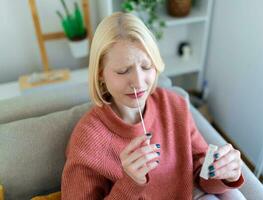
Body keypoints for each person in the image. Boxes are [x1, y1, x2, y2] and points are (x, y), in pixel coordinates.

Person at [61, 12, 245, 200]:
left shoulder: (175, 105)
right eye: (123, 71)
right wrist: (130, 184)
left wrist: (225, 172)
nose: (138, 82)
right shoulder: (87, 139)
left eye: (146, 66)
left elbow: (201, 173)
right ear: (100, 74)